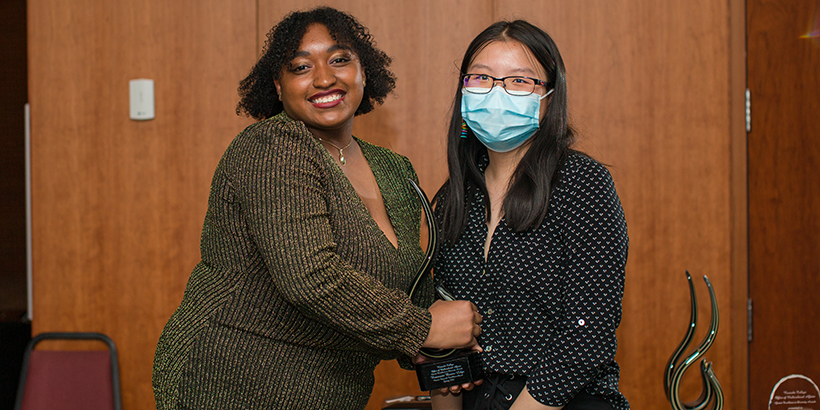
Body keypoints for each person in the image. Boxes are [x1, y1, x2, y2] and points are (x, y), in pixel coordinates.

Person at [152, 7, 482, 410]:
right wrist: (424, 329)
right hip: (230, 381)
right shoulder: (272, 146)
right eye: (300, 67)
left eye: (340, 60)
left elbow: (401, 288)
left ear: (365, 71)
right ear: (277, 86)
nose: (325, 78)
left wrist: (437, 354)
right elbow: (310, 277)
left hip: (333, 392)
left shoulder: (395, 170)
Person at [430, 20, 629, 410]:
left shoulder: (582, 183)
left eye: (520, 81)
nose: (497, 93)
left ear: (550, 97)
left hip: (562, 401)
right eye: (482, 78)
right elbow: (449, 337)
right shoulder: (453, 197)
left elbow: (589, 331)